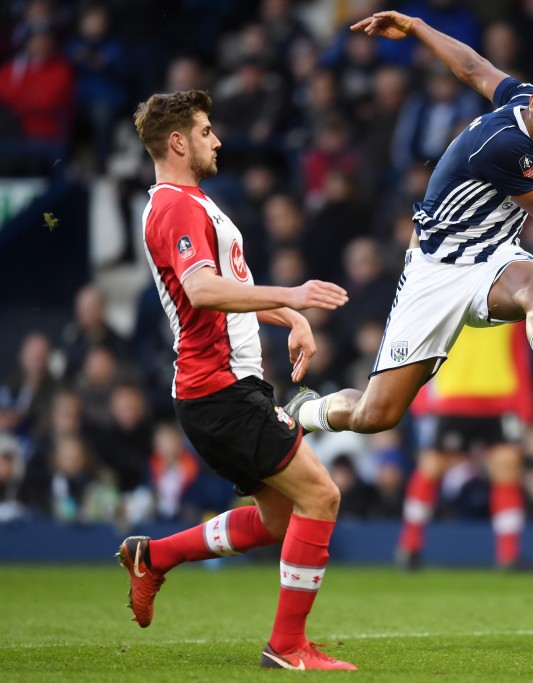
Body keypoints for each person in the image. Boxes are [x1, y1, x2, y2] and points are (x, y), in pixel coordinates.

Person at [284, 9, 533, 440]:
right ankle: (305, 411)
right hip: (436, 270)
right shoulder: (506, 145)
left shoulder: (523, 100)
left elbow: (473, 67)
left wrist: (416, 27)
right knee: (376, 415)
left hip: (491, 257)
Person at [117, 89, 356, 671]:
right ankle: (287, 646)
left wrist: (291, 316)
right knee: (322, 495)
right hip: (219, 389)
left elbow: (226, 293)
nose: (217, 139)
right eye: (205, 131)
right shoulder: (176, 207)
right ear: (178, 142)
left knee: (280, 519)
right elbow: (201, 292)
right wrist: (293, 294)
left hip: (223, 389)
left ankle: (155, 556)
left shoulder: (192, 204)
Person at [397, 322, 533, 571]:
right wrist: (419, 396)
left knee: (507, 468)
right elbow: (423, 346)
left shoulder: (512, 303)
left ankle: (509, 556)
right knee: (432, 467)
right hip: (452, 397)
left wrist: (524, 407)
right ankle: (410, 547)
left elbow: (518, 353)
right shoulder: (445, 294)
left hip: (501, 397)